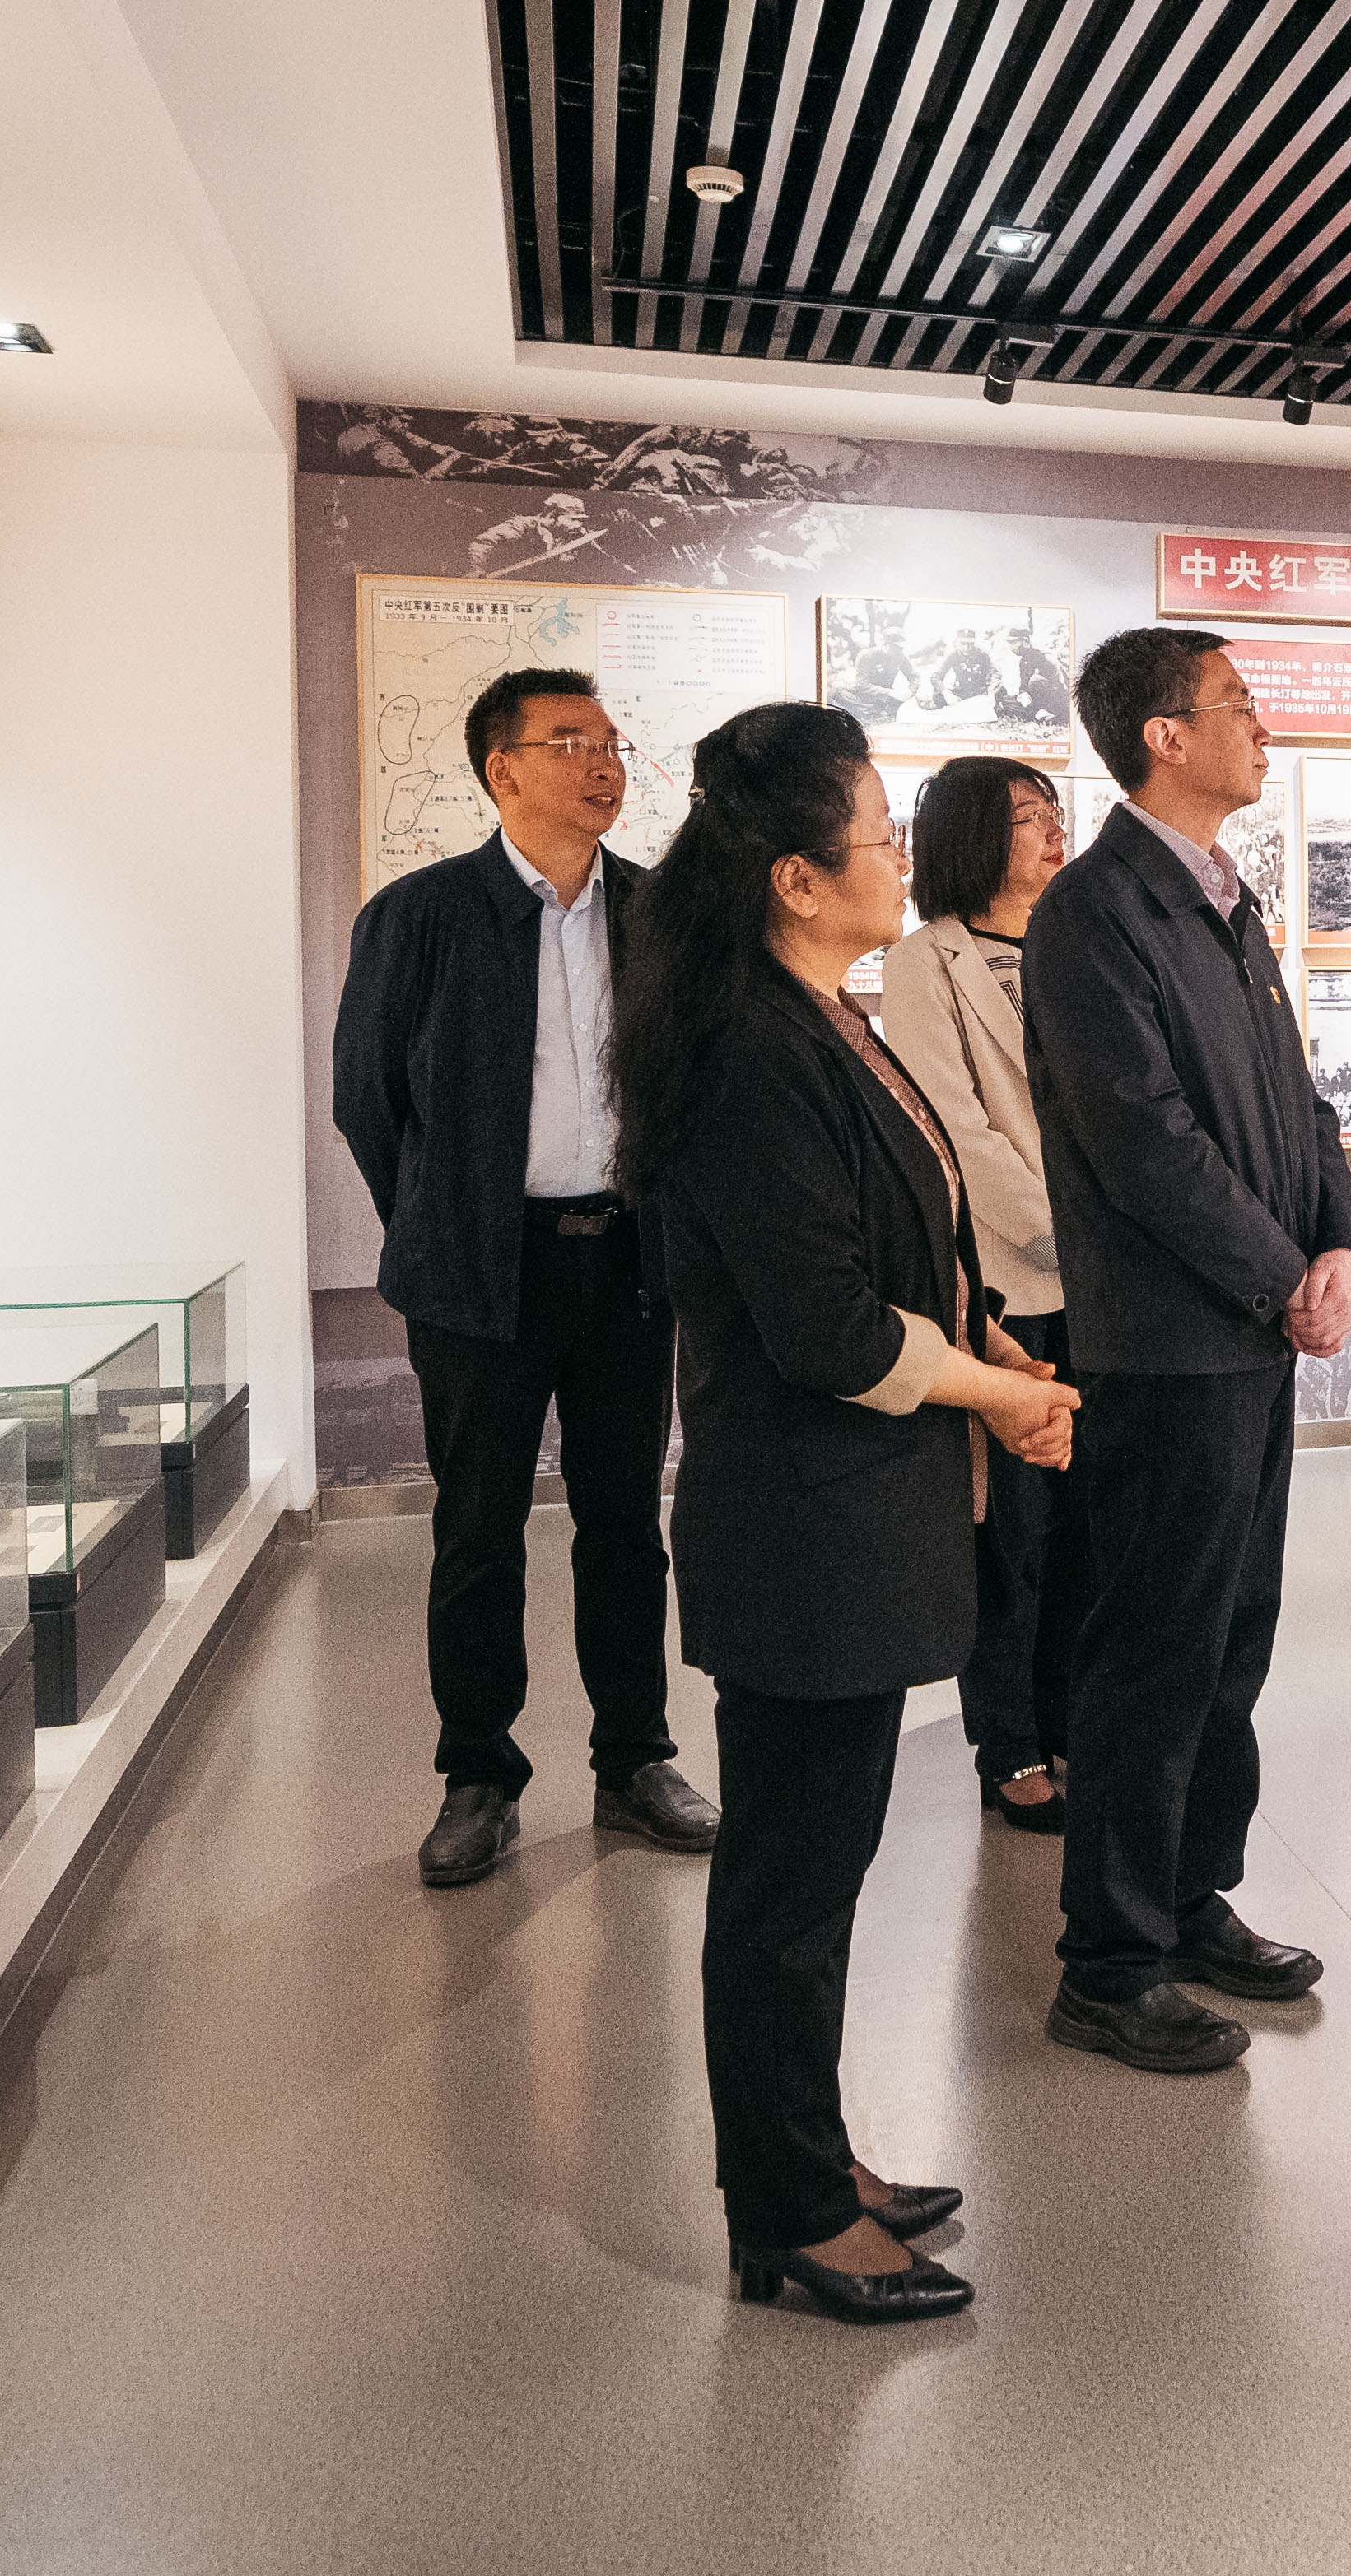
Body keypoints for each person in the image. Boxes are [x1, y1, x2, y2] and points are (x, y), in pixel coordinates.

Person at [613, 701, 1079, 2324]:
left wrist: (990, 1336)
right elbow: (825, 1330)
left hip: (853, 1517)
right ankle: (789, 2212)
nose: (898, 856)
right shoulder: (753, 1053)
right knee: (789, 1893)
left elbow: (904, 1248)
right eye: (876, 834)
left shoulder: (824, 1016)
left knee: (819, 1874)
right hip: (801, 1524)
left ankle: (814, 2156)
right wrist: (995, 1392)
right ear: (798, 880)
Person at [1020, 626, 1351, 2073]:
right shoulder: (1093, 912)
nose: (1259, 723)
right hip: (1168, 1342)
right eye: (1236, 701)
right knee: (1152, 1649)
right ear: (1163, 735)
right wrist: (1283, 1274)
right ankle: (1108, 1961)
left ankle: (1186, 1896)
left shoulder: (1227, 898)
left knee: (1233, 1630)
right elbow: (1143, 1140)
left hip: (1251, 1333)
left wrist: (1339, 1245)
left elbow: (1300, 1102)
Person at [328, 666, 712, 1889]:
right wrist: (440, 1220)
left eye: (611, 743)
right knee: (478, 1531)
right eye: (570, 741)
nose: (602, 764)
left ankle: (635, 1758)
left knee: (624, 1525)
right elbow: (366, 1096)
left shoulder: (655, 913)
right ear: (501, 769)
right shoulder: (422, 913)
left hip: (625, 1265)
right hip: (481, 1273)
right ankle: (478, 1775)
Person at [873, 756, 1078, 1832]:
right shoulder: (928, 960)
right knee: (1014, 1534)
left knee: (1091, 1525)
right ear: (967, 835)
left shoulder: (1080, 939)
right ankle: (1010, 1742)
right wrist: (1072, 1230)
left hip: (1111, 1283)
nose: (1050, 829)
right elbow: (956, 1129)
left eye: (1052, 811)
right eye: (1025, 816)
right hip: (1010, 1279)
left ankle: (1071, 1720)